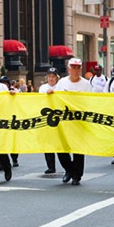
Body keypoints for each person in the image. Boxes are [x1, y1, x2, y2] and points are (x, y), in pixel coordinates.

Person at [49, 58, 91, 186]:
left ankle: (77, 175)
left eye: (78, 67)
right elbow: (56, 97)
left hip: (79, 121)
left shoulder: (86, 84)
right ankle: (69, 170)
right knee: (61, 148)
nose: (75, 70)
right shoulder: (62, 82)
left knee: (78, 150)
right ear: (68, 69)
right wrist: (51, 93)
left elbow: (91, 101)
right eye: (73, 67)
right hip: (64, 121)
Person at [39, 67, 61, 174]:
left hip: (59, 118)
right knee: (48, 143)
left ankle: (66, 166)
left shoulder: (61, 87)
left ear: (57, 78)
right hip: (47, 118)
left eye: (53, 76)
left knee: (60, 143)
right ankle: (51, 166)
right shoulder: (43, 87)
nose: (51, 78)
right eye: (49, 76)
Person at [0, 75, 19, 167]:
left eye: (5, 83)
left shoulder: (13, 92)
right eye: (2, 83)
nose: (4, 85)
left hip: (12, 118)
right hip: (1, 119)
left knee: (13, 140)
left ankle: (14, 158)